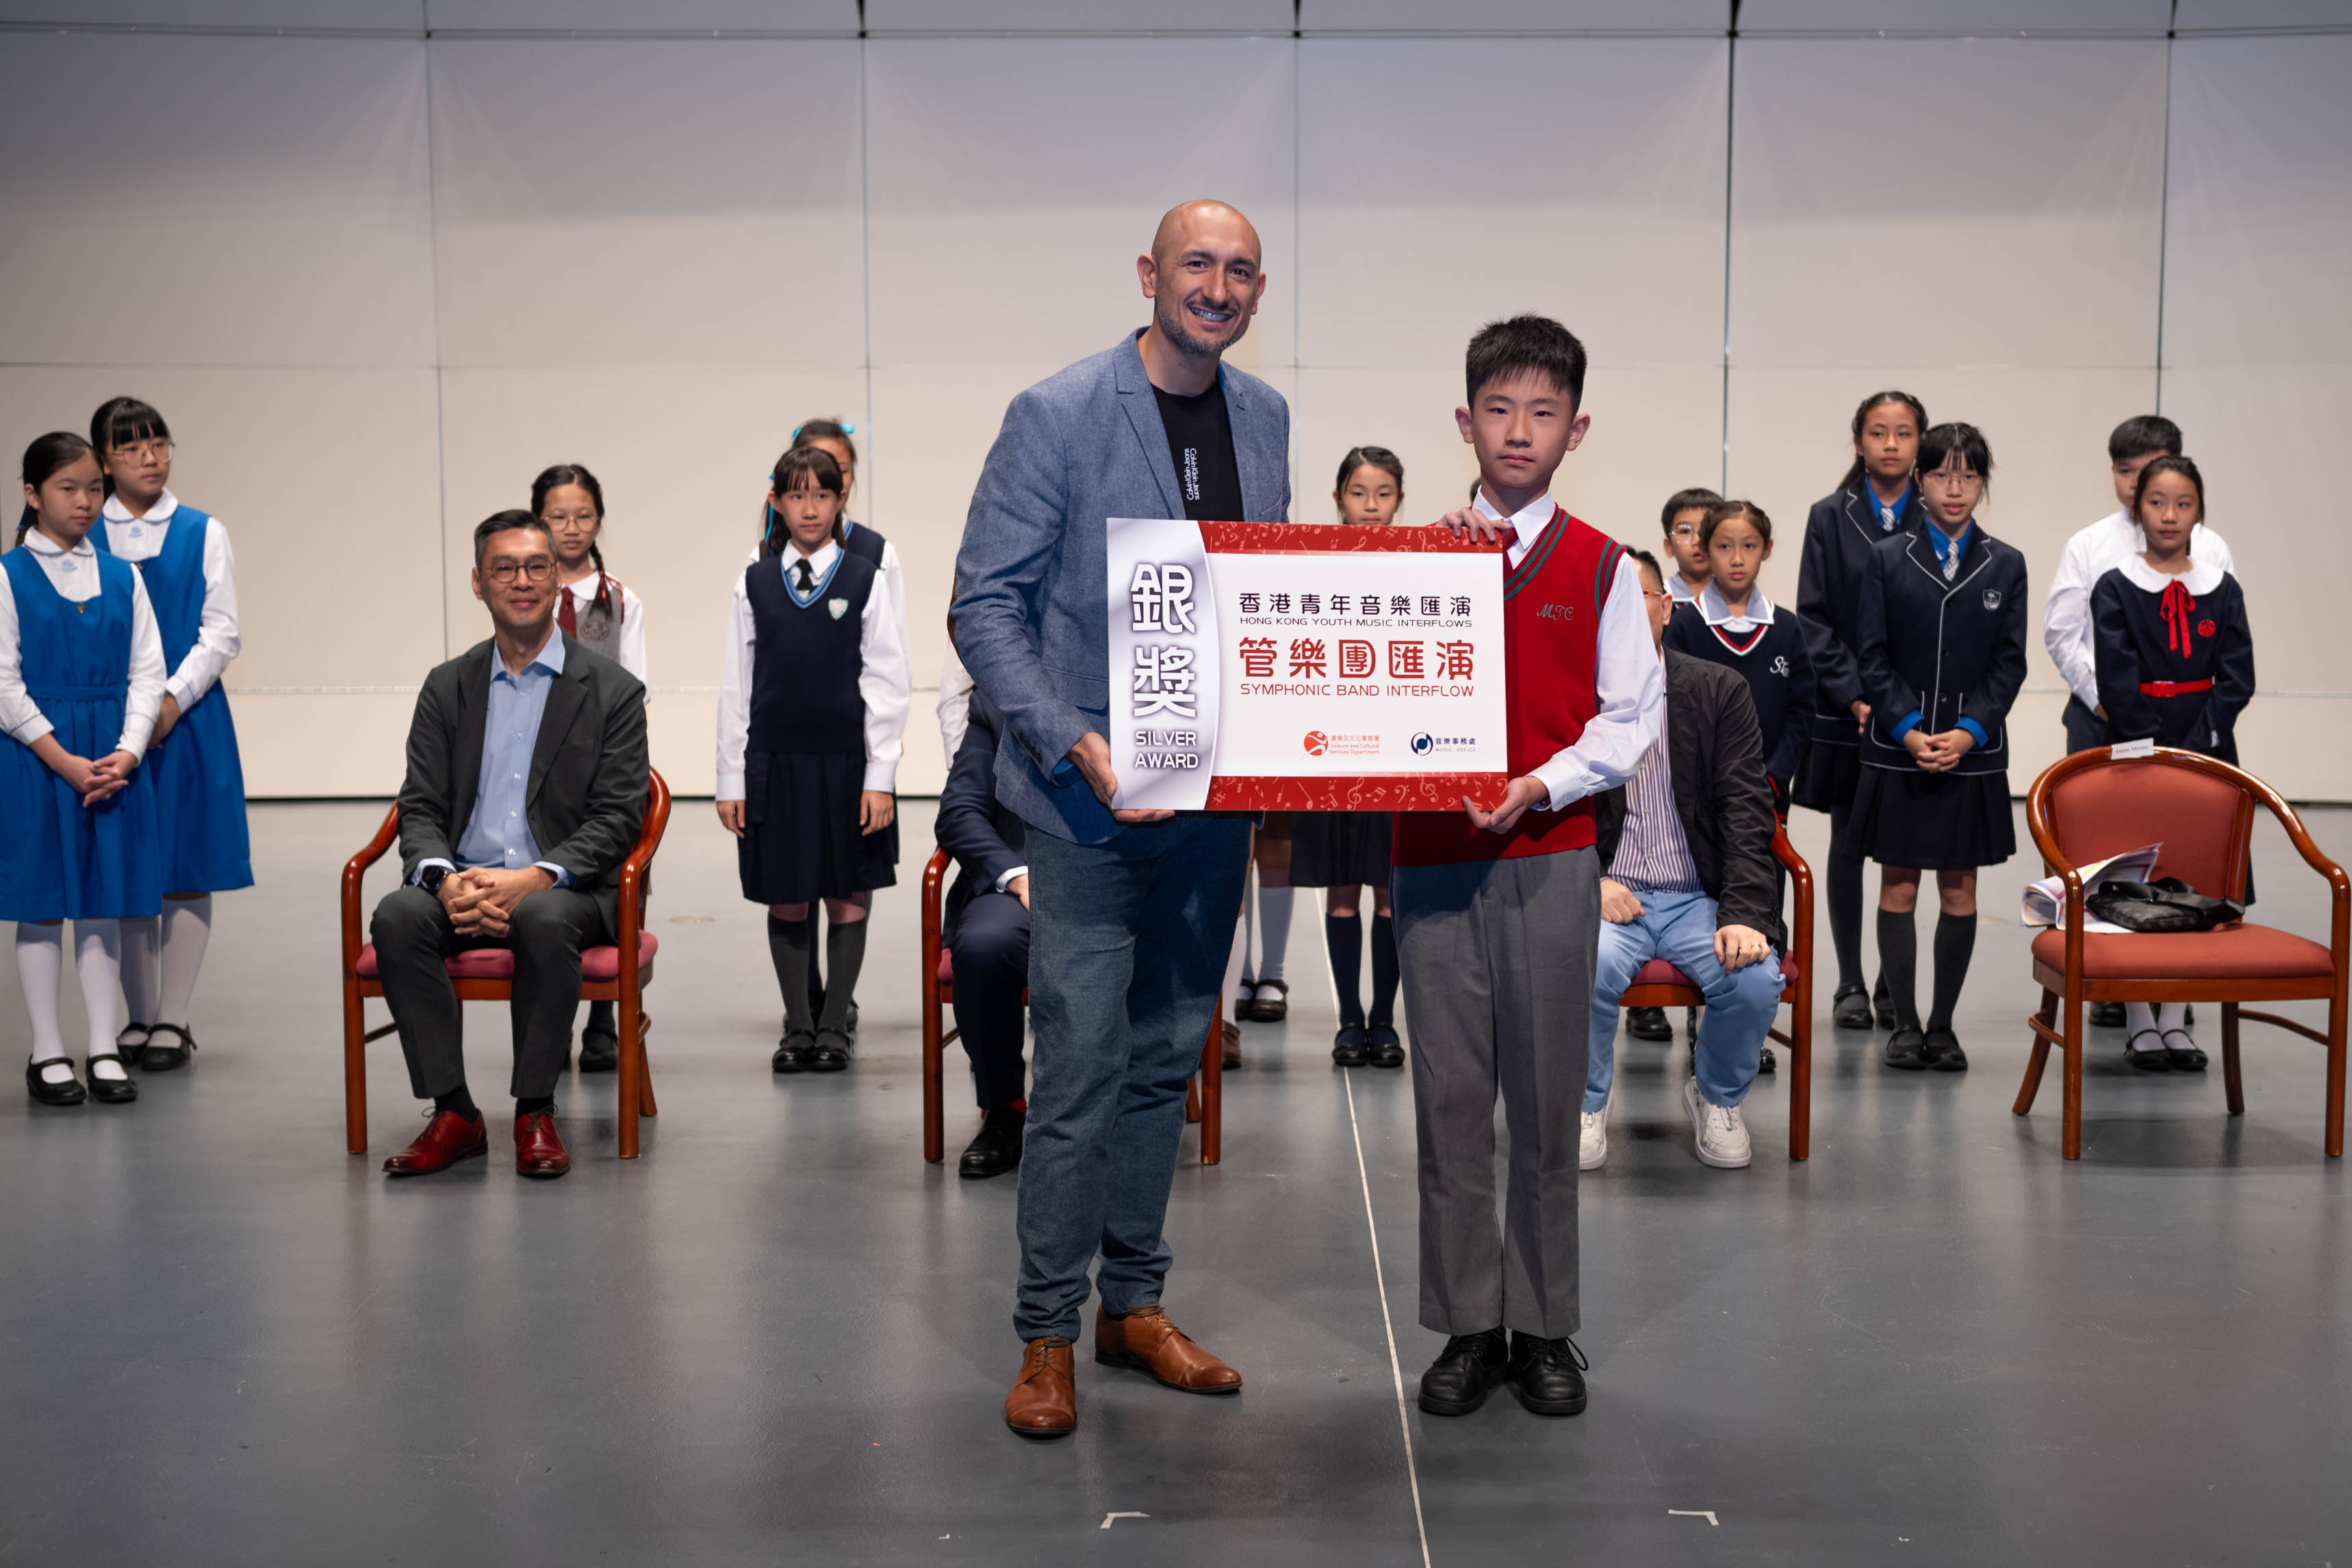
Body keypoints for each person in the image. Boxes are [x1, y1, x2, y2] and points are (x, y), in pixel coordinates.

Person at [954, 199, 1285, 1439]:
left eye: (1240, 271)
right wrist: (1068, 739)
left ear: (1258, 293)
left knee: (1165, 1058)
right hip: (1086, 805)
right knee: (1080, 1065)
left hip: (1214, 801)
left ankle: (1132, 1305)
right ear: (1149, 271)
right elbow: (984, 605)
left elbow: (1269, 596)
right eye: (1197, 263)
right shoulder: (1057, 412)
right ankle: (1046, 1330)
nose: (1217, 287)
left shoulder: (1267, 416)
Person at [1396, 316, 1663, 1422]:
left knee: (1548, 1107)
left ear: (1575, 429)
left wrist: (1539, 785)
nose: (1519, 430)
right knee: (1451, 1101)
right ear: (1465, 421)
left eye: (1542, 412)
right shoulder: (1406, 559)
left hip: (1550, 856)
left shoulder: (1602, 565)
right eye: (1499, 409)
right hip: (1431, 861)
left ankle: (1545, 1326)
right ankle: (1469, 1324)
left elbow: (1629, 717)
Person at [368, 511, 649, 1179]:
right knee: (398, 915)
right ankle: (454, 1112)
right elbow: (420, 803)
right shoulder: (447, 686)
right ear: (478, 582)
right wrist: (444, 880)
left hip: (565, 891)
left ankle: (534, 1111)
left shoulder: (612, 691)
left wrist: (536, 877)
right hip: (465, 883)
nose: (521, 580)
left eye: (536, 566)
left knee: (542, 917)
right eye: (504, 567)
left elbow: (617, 817)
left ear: (556, 580)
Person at [1584, 550, 1782, 1171]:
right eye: (1609, 602)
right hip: (1610, 893)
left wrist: (1744, 912)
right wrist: (1591, 883)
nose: (1623, 612)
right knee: (1578, 966)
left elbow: (1747, 811)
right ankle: (1584, 1101)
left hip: (1699, 895)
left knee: (1753, 978)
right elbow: (1555, 810)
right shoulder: (1573, 695)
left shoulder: (1718, 691)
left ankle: (1715, 1095)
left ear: (1666, 608)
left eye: (1638, 597)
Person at [717, 446, 908, 1075]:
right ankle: (797, 1024)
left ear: (840, 499)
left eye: (821, 495)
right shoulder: (754, 582)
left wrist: (881, 777)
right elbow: (736, 685)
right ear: (775, 501)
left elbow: (887, 682)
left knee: (846, 890)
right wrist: (730, 778)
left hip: (847, 763)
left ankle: (834, 1028)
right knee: (787, 893)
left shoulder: (863, 577)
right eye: (796, 495)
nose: (809, 508)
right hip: (775, 763)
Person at [2045, 415, 2236, 1030]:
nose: (2137, 485)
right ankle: (2113, 980)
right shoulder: (2090, 545)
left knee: (2189, 854)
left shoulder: (2212, 550)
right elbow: (2063, 631)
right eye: (2126, 473)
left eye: (2149, 471)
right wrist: (2106, 698)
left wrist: (2196, 725)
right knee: (2108, 859)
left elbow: (2226, 650)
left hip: (2191, 726)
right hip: (2104, 716)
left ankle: (2176, 989)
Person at [1852, 422, 2027, 1073]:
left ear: (1983, 483)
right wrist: (1906, 728)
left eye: (1969, 475)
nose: (1955, 489)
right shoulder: (1886, 558)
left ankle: (1944, 1025)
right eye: (1942, 475)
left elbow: (2009, 665)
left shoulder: (2006, 563)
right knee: (1898, 887)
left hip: (1970, 754)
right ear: (1920, 481)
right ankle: (1903, 1023)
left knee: (1959, 891)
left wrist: (1969, 731)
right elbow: (1872, 657)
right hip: (1901, 749)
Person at [87, 397, 252, 1075]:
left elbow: (222, 631)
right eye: (130, 448)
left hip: (187, 718)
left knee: (185, 866)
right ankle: (137, 1013)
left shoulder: (202, 531)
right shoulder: (85, 535)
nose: (150, 458)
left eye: (158, 443)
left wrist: (170, 700)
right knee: (126, 867)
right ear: (104, 461)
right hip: (107, 722)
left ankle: (173, 1017)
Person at [6, 433, 164, 1107]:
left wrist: (128, 750)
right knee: (42, 906)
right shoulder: (8, 574)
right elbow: (3, 683)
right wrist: (63, 759)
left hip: (110, 761)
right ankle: (47, 1050)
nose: (85, 500)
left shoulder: (124, 576)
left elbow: (148, 672)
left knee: (104, 900)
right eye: (68, 487)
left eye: (94, 488)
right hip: (40, 760)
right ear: (32, 493)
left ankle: (103, 1045)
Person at [2092, 455, 2253, 1072]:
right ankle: (2139, 1021)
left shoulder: (2222, 587)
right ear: (2138, 509)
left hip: (2208, 748)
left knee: (2198, 878)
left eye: (2183, 504)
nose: (2169, 515)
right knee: (2141, 881)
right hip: (2138, 750)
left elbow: (2237, 676)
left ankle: (2177, 1019)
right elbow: (2116, 675)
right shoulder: (2116, 585)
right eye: (2157, 502)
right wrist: (2152, 745)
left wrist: (2203, 737)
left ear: (2199, 512)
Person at [1795, 390, 1929, 1034]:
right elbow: (1813, 617)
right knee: (1847, 842)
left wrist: (1903, 705)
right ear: (1859, 442)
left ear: (1920, 442)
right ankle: (1849, 980)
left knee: (1904, 848)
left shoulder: (1938, 514)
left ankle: (1890, 983)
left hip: (1916, 712)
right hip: (1850, 710)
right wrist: (1857, 695)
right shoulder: (1829, 516)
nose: (1892, 444)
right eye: (1879, 432)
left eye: (1904, 432)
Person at [776, 420, 906, 1044]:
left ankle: (836, 1008)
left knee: (849, 877)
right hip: (787, 751)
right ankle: (803, 1005)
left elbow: (891, 664)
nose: (816, 497)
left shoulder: (875, 555)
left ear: (846, 484)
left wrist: (885, 763)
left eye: (835, 476)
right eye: (802, 484)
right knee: (791, 878)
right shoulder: (764, 562)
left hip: (853, 747)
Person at [1294, 446, 1406, 1068]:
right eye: (1359, 493)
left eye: (1383, 494)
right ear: (1338, 497)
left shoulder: (1417, 563)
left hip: (1396, 749)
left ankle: (1385, 1022)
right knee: (1342, 893)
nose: (1370, 506)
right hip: (1330, 749)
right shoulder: (1312, 560)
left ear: (1399, 500)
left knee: (1389, 893)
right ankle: (1348, 1021)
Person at [534, 461, 645, 1075]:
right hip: (538, 773)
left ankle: (604, 1021)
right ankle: (552, 1019)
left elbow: (635, 687)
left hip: (603, 768)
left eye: (583, 516)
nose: (571, 528)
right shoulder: (528, 594)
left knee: (606, 884)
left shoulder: (620, 600)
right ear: (538, 520)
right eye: (558, 516)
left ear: (599, 521)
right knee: (546, 889)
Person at [1663, 500, 1813, 811]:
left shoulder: (1786, 627)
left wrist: (1775, 776)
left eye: (1749, 546)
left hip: (1769, 791)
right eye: (1723, 547)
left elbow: (1801, 713)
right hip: (1701, 794)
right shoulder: (1685, 625)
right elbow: (1675, 715)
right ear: (1705, 551)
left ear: (1767, 549)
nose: (1737, 559)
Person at [936, 684, 1030, 1176]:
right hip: (1022, 880)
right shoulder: (997, 701)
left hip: (1125, 874)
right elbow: (959, 812)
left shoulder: (1146, 681)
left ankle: (1130, 1106)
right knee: (985, 945)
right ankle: (1004, 1109)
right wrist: (1016, 876)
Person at [1659, 485, 1720, 606]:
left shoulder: (1737, 599)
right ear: (1669, 547)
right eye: (1685, 531)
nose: (1697, 540)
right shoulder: (1659, 600)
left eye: (1706, 530)